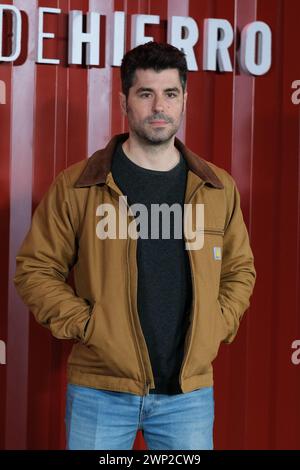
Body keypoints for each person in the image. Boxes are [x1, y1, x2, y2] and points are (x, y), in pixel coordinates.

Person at [13, 41, 256, 450]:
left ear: (184, 101)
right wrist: (88, 325)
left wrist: (218, 323)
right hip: (100, 392)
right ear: (124, 101)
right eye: (146, 93)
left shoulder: (217, 187)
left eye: (170, 94)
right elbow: (35, 269)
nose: (158, 106)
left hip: (187, 398)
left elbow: (239, 270)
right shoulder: (79, 185)